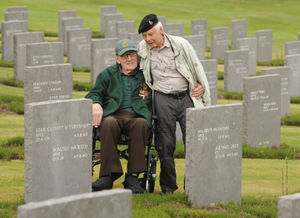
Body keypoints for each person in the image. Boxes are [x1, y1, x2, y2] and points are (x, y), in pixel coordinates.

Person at [137, 14, 211, 194]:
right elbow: (137, 73)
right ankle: (168, 187)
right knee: (165, 144)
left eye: (150, 34)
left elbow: (196, 68)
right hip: (162, 99)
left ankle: (193, 186)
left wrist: (201, 87)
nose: (148, 39)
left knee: (193, 142)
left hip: (186, 97)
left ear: (161, 30)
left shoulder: (181, 44)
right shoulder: (142, 48)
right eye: (144, 36)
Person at [85, 39, 152, 194]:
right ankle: (108, 175)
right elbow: (94, 93)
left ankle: (133, 177)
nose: (129, 59)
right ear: (117, 59)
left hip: (137, 115)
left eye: (132, 55)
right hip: (114, 114)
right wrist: (95, 103)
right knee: (108, 123)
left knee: (141, 124)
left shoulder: (146, 74)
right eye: (125, 56)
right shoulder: (108, 74)